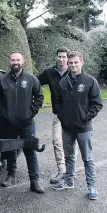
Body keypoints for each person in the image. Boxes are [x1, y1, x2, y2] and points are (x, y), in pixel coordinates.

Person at [53, 52, 103, 200]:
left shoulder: (90, 81)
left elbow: (97, 103)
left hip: (83, 128)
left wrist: (85, 118)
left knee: (87, 158)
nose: (73, 65)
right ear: (67, 64)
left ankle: (92, 186)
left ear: (82, 63)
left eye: (76, 62)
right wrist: (62, 117)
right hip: (67, 128)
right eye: (71, 63)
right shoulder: (63, 82)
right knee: (69, 157)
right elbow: (57, 102)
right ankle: (69, 181)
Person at [0, 52, 45, 193]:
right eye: (13, 60)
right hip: (8, 123)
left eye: (18, 60)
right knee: (11, 149)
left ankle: (34, 181)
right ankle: (11, 175)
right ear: (9, 61)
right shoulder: (2, 81)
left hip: (27, 123)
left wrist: (30, 113)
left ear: (22, 61)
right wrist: (4, 115)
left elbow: (40, 97)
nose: (15, 62)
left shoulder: (31, 79)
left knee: (30, 150)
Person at [37, 47, 73, 184]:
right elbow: (35, 82)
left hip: (72, 115)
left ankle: (71, 171)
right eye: (59, 56)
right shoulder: (50, 72)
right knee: (57, 141)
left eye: (64, 57)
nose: (61, 59)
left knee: (70, 143)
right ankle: (62, 171)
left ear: (68, 58)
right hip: (58, 114)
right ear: (57, 57)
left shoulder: (73, 71)